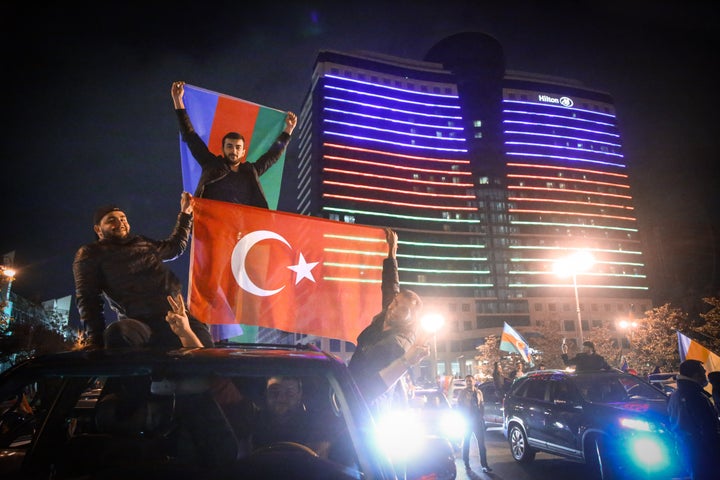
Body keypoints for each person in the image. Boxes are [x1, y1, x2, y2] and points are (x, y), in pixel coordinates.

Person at [73, 192, 213, 349]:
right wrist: (95, 340)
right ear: (98, 229)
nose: (120, 223)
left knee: (208, 356)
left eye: (123, 218)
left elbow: (174, 247)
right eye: (111, 220)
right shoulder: (90, 253)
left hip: (178, 316)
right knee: (117, 333)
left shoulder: (143, 243)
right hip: (140, 324)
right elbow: (88, 299)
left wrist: (185, 214)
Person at [171, 81, 297, 207]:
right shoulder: (211, 165)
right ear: (223, 148)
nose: (234, 151)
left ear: (243, 152)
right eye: (230, 146)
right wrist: (178, 101)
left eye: (238, 147)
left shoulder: (250, 171)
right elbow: (191, 136)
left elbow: (272, 156)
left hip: (242, 225)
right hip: (212, 222)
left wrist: (288, 130)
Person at [347, 228, 429, 413]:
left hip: (368, 407)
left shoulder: (398, 343)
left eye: (404, 308)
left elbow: (375, 385)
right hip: (351, 394)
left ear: (412, 317)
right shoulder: (389, 312)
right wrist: (392, 252)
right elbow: (391, 285)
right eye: (396, 302)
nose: (394, 307)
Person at [250, 376, 333, 458]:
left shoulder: (316, 427)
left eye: (289, 393)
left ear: (299, 395)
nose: (281, 399)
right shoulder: (251, 423)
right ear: (266, 393)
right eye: (274, 391)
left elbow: (319, 464)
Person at [667, 359, 720, 480]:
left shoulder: (675, 395)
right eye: (703, 372)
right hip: (702, 451)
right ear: (696, 375)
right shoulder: (694, 395)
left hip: (686, 448)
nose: (705, 375)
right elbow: (708, 428)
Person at [456, 375, 491, 473]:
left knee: (481, 444)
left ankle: (484, 465)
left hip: (477, 421)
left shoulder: (478, 392)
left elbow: (482, 405)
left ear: (474, 381)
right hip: (467, 421)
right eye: (467, 381)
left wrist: (481, 417)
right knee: (466, 443)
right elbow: (459, 406)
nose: (468, 383)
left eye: (470, 381)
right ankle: (466, 464)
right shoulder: (462, 393)